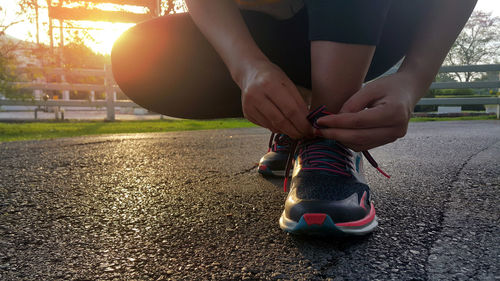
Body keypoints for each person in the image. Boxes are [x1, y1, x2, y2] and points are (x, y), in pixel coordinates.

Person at [111, 0, 477, 236]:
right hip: (261, 26)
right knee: (135, 55)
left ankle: (328, 132)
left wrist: (415, 78)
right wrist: (246, 67)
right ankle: (300, 119)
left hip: (374, 19)